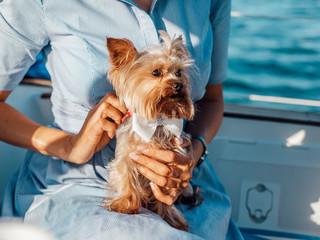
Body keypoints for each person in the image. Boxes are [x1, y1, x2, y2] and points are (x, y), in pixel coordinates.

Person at [0, 0, 243, 239]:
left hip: (187, 179)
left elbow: (211, 100)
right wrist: (69, 145)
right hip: (81, 180)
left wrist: (193, 153)